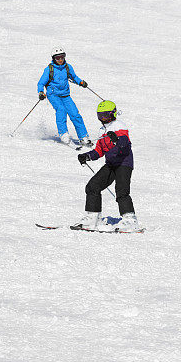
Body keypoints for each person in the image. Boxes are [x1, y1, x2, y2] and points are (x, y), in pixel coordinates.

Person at [72, 101, 139, 232]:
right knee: (92, 186)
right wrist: (87, 156)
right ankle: (92, 218)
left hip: (123, 163)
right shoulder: (102, 130)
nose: (103, 119)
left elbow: (124, 143)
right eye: (100, 116)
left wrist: (116, 139)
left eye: (106, 116)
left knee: (121, 191)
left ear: (112, 114)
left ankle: (130, 220)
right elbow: (99, 151)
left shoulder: (119, 126)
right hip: (111, 164)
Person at [37, 46, 93, 147]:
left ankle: (83, 137)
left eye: (62, 57)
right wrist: (41, 92)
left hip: (65, 95)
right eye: (57, 58)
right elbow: (41, 83)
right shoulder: (49, 69)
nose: (60, 60)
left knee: (75, 114)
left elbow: (74, 77)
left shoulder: (68, 67)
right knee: (61, 110)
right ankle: (63, 133)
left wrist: (81, 82)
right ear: (54, 58)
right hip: (53, 95)